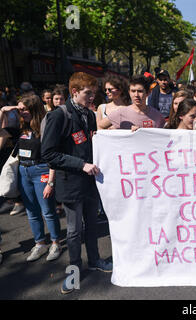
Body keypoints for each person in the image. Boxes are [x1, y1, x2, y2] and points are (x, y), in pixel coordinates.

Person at [41, 72, 113, 294]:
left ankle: (95, 260)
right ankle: (73, 273)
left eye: (94, 93)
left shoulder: (90, 115)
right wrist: (81, 164)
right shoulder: (58, 116)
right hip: (71, 183)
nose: (92, 97)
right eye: (88, 93)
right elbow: (49, 154)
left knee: (92, 225)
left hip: (90, 183)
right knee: (73, 232)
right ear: (74, 92)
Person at [1, 94, 62, 261]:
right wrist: (3, 111)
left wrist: (50, 181)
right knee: (31, 211)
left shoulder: (45, 126)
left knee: (48, 210)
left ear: (34, 109)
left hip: (41, 170)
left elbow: (53, 155)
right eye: (19, 110)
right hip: (23, 171)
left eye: (24, 109)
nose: (21, 113)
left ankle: (56, 243)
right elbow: (0, 132)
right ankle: (40, 244)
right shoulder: (20, 127)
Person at [99, 75, 165, 130]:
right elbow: (100, 126)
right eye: (133, 91)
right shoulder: (121, 112)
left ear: (148, 93)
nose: (136, 95)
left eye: (140, 91)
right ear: (129, 92)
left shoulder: (157, 116)